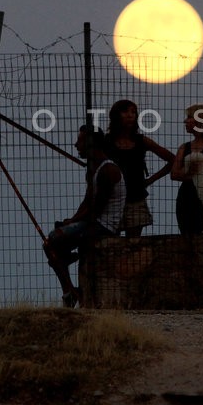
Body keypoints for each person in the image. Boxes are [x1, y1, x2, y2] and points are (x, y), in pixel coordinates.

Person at [43, 125, 126, 307]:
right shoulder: (95, 169)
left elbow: (96, 208)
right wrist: (71, 221)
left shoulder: (107, 170)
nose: (76, 145)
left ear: (90, 143)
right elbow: (87, 202)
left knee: (53, 241)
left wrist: (72, 223)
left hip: (104, 226)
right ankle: (69, 290)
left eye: (79, 140)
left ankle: (69, 290)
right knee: (52, 243)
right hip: (93, 222)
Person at [103, 99, 175, 237]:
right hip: (111, 199)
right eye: (125, 111)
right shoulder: (106, 142)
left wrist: (149, 180)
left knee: (134, 244)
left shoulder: (141, 141)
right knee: (111, 243)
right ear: (116, 115)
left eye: (133, 112)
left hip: (135, 197)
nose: (130, 115)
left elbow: (172, 159)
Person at [170, 103, 203, 235]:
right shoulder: (184, 147)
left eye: (189, 117)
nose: (185, 121)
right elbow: (174, 174)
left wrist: (187, 172)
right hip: (186, 198)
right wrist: (196, 173)